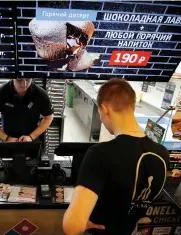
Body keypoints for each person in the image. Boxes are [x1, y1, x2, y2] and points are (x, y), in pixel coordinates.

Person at [63, 78, 169, 235]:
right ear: (131, 106)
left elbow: (72, 227)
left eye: (99, 113)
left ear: (105, 109)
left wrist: (81, 222)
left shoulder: (100, 154)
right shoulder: (162, 153)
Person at [0, 78, 54, 142]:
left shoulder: (40, 94)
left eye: (27, 79)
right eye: (19, 80)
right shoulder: (0, 93)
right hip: (9, 140)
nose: (24, 84)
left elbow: (48, 118)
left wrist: (31, 137)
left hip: (31, 140)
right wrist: (6, 138)